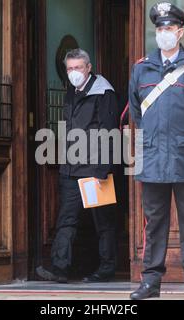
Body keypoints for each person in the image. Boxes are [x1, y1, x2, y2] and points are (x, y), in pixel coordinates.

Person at [128, 2, 184, 300]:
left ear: (180, 32)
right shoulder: (141, 68)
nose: (164, 33)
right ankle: (150, 281)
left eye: (169, 28)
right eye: (160, 28)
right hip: (153, 155)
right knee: (153, 222)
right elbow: (137, 113)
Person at [36, 48, 119, 283]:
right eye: (69, 68)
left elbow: (109, 131)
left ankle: (107, 269)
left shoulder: (104, 91)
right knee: (66, 220)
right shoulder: (71, 91)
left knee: (103, 221)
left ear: (88, 68)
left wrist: (103, 168)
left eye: (78, 67)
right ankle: (59, 269)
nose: (73, 72)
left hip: (95, 169)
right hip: (71, 169)